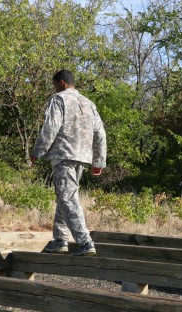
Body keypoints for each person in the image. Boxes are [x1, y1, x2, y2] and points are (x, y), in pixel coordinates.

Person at [31, 69, 107, 256]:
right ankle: (60, 239)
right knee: (65, 197)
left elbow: (51, 126)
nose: (55, 89)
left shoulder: (60, 99)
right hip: (82, 156)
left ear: (62, 82)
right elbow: (100, 134)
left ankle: (85, 242)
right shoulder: (89, 103)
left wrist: (38, 151)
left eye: (55, 85)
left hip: (63, 154)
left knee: (67, 198)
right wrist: (98, 161)